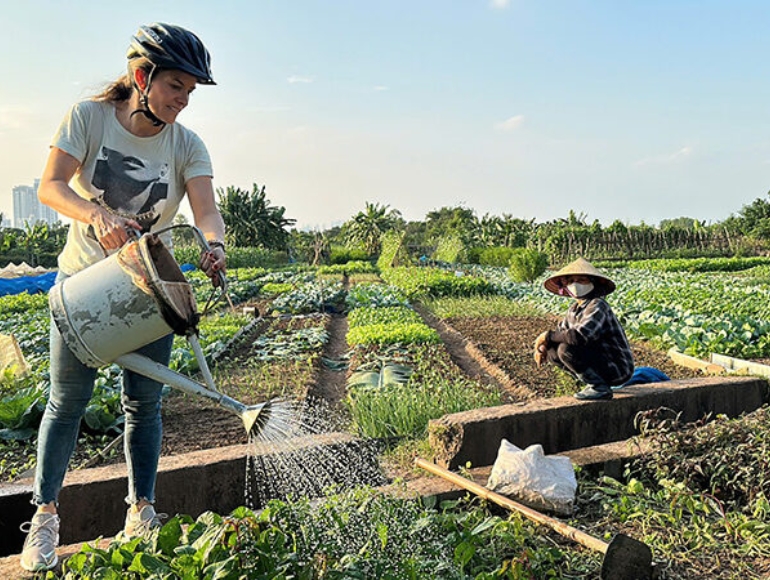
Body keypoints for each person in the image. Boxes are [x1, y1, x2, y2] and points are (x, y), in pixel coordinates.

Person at [20, 23, 227, 572]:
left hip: (149, 291)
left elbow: (206, 209)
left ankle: (142, 510)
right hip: (85, 288)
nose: (183, 100)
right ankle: (44, 517)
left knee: (144, 405)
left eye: (190, 91)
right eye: (176, 86)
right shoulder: (87, 118)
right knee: (66, 405)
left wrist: (213, 243)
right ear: (142, 76)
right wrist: (97, 213)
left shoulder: (186, 144)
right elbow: (51, 185)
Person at [533, 257, 633, 401]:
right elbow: (560, 333)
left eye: (582, 280)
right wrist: (543, 347)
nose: (576, 284)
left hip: (616, 367)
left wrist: (546, 336)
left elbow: (579, 336)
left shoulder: (598, 305)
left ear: (594, 283)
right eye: (571, 281)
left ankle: (599, 386)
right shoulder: (573, 310)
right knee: (553, 351)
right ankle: (592, 383)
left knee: (566, 349)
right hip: (600, 362)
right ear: (565, 286)